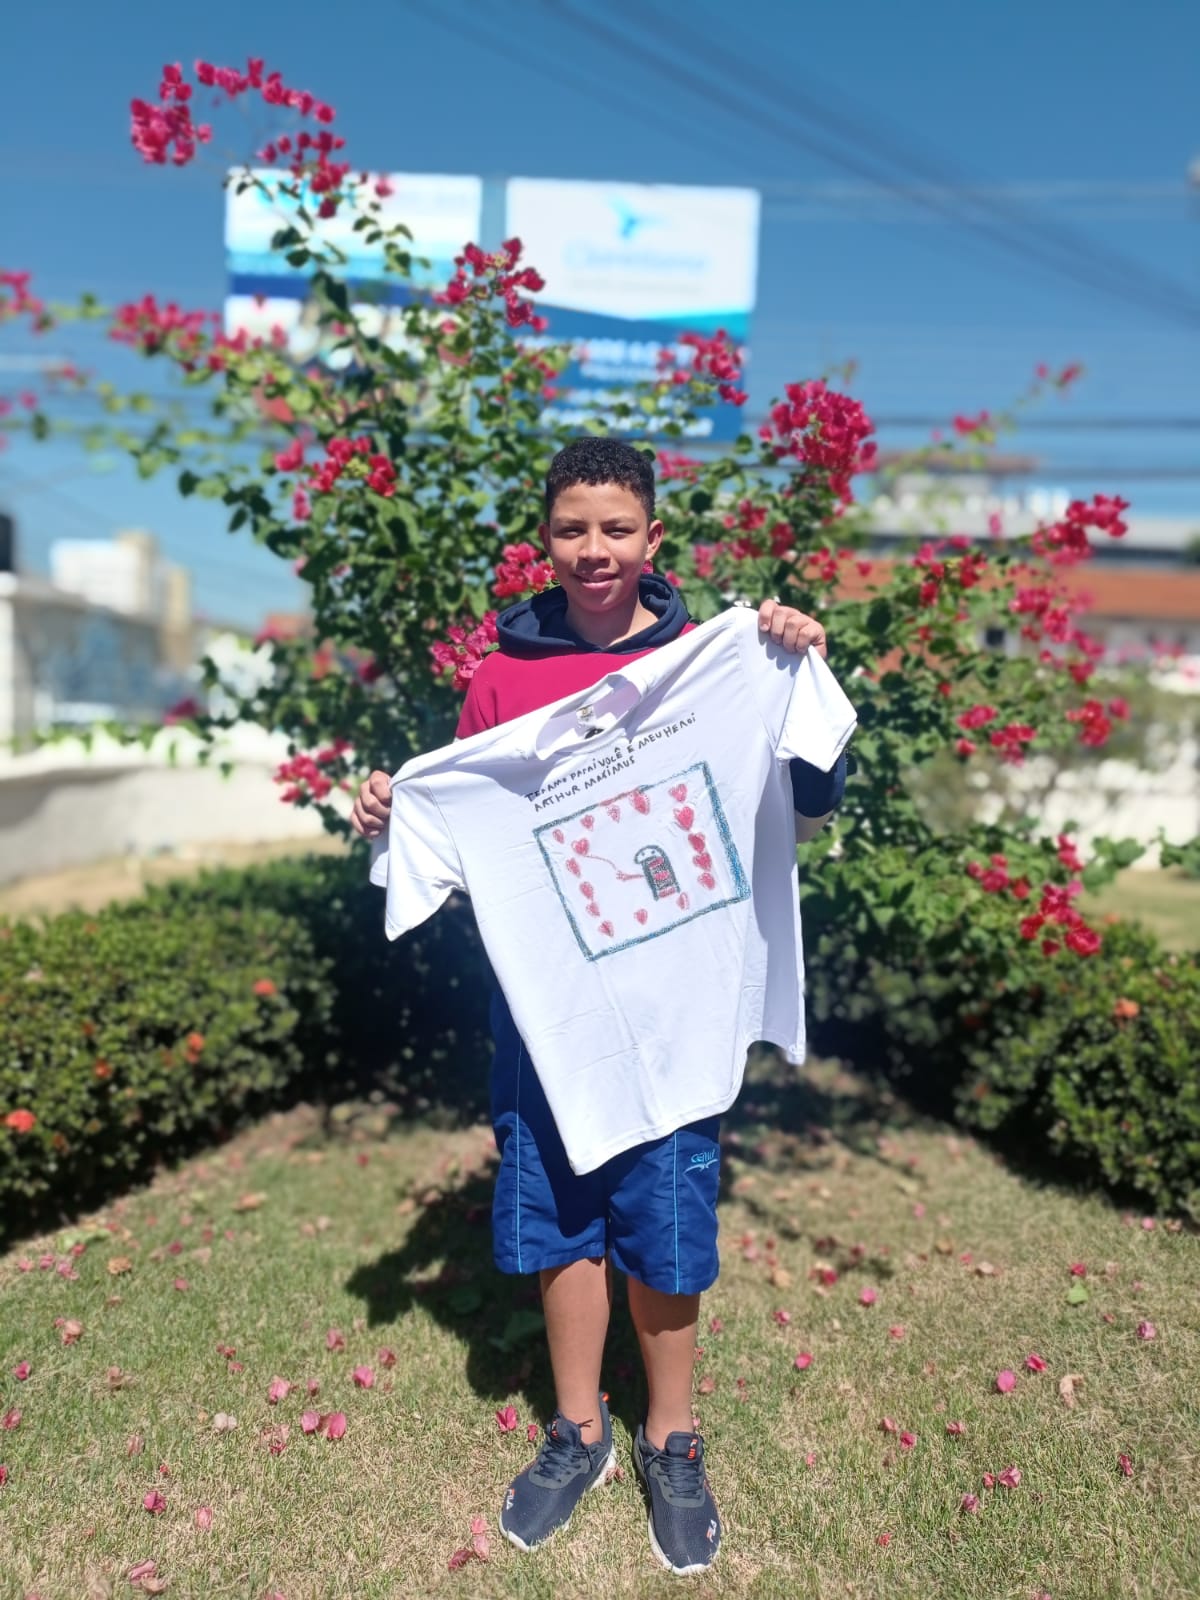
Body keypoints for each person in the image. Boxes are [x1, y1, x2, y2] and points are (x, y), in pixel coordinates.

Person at [351, 437, 845, 1576]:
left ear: (653, 538)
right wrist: (392, 809)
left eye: (617, 528)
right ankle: (578, 1430)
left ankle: (672, 1437)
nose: (594, 550)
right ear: (547, 541)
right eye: (572, 528)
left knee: (667, 1219)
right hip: (550, 1017)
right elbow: (465, 837)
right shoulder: (498, 680)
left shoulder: (717, 658)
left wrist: (795, 660)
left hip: (677, 1014)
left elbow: (811, 796)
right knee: (556, 1214)